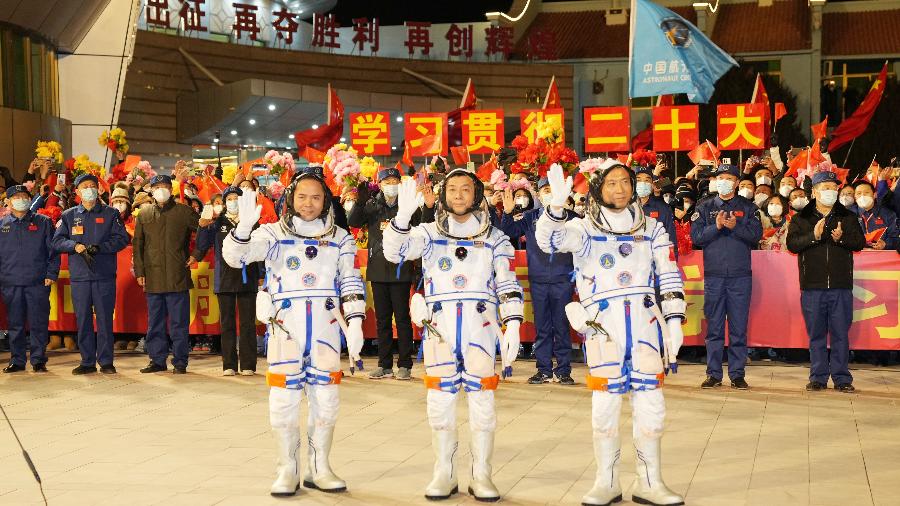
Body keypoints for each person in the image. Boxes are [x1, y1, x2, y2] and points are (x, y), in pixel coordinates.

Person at [536, 162, 685, 506]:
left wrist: (674, 319)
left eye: (625, 182)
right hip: (604, 327)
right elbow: (549, 241)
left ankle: (650, 481)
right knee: (605, 405)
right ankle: (607, 480)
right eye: (611, 183)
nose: (619, 189)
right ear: (598, 188)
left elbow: (669, 272)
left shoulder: (653, 228)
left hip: (647, 323)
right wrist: (555, 209)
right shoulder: (583, 229)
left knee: (652, 404)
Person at [382, 167, 524, 502]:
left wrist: (513, 321)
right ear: (443, 195)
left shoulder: (495, 237)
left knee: (483, 404)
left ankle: (482, 474)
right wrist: (403, 217)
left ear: (476, 194)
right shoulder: (429, 233)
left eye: (466, 189)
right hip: (440, 329)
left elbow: (507, 282)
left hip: (481, 326)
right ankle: (444, 473)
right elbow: (395, 252)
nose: (459, 196)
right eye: (453, 190)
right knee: (440, 403)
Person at [223, 166, 365, 496]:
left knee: (326, 399)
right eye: (302, 196)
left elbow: (350, 279)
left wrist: (355, 319)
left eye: (316, 197)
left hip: (326, 327)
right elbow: (236, 257)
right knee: (283, 400)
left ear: (326, 200)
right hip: (285, 327)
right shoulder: (272, 234)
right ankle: (287, 467)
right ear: (290, 198)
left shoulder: (340, 238)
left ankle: (320, 466)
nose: (309, 203)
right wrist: (244, 227)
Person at [348, 167, 433, 381]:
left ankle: (405, 364)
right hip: (377, 269)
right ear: (380, 184)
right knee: (382, 320)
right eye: (387, 182)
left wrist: (428, 207)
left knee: (403, 319)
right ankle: (384, 365)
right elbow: (354, 222)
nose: (391, 185)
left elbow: (423, 227)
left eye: (395, 181)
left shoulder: (408, 205)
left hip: (401, 269)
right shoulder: (372, 205)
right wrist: (360, 201)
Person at [787, 171, 865, 392]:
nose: (830, 191)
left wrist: (842, 240)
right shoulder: (801, 218)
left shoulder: (847, 216)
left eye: (833, 187)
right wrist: (814, 235)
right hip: (812, 286)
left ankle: (842, 378)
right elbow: (792, 244)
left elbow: (858, 242)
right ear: (814, 191)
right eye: (825, 187)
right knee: (817, 334)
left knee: (841, 333)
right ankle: (818, 377)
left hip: (840, 286)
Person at [690, 161, 762, 390]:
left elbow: (755, 235)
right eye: (720, 178)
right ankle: (713, 374)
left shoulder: (749, 208)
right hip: (714, 276)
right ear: (714, 181)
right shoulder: (704, 207)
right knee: (714, 327)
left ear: (737, 182)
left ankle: (737, 374)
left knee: (739, 327)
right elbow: (697, 237)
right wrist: (717, 227)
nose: (724, 182)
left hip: (740, 276)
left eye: (729, 179)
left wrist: (735, 226)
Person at [499, 177, 576, 385]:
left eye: (553, 189)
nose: (549, 194)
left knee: (561, 326)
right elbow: (508, 232)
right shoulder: (530, 217)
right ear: (539, 194)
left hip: (563, 279)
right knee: (542, 326)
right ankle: (543, 369)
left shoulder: (572, 218)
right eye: (546, 190)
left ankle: (563, 370)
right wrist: (507, 213)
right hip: (538, 279)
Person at [52, 174, 130, 375]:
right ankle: (87, 361)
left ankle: (106, 362)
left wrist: (101, 247)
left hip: (104, 275)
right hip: (79, 276)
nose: (89, 189)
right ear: (77, 192)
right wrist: (74, 245)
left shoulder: (111, 213)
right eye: (84, 186)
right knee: (83, 319)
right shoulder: (68, 215)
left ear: (99, 190)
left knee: (104, 320)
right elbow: (57, 241)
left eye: (92, 186)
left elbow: (121, 239)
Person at [133, 172, 200, 374]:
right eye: (156, 187)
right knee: (155, 323)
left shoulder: (184, 212)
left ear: (171, 190)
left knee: (179, 322)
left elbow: (205, 231)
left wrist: (197, 254)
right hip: (153, 277)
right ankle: (157, 360)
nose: (160, 190)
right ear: (151, 191)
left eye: (164, 186)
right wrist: (139, 271)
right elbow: (138, 245)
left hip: (177, 275)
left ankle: (180, 361)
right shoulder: (144, 214)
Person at [192, 187, 259, 376]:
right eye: (228, 198)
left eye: (236, 198)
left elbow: (260, 247)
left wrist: (261, 274)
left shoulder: (251, 222)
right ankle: (229, 364)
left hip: (248, 276)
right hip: (225, 278)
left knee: (247, 323)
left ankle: (248, 365)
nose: (232, 202)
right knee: (227, 323)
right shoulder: (218, 222)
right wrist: (203, 225)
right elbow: (202, 244)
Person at [0, 185, 59, 373]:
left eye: (24, 196)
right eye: (16, 197)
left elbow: (53, 251)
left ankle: (38, 359)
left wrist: (51, 274)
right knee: (15, 324)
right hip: (11, 282)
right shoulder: (2, 225)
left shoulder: (43, 222)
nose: (21, 199)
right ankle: (17, 360)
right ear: (8, 202)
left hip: (38, 281)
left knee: (38, 322)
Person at [636, 166, 678, 258]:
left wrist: (672, 265)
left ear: (652, 184)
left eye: (647, 180)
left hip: (656, 263)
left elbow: (671, 240)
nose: (642, 183)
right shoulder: (625, 208)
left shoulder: (663, 209)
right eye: (638, 180)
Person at [851, 181, 898, 250]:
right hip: (856, 257)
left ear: (874, 195)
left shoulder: (889, 214)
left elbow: (895, 238)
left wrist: (885, 244)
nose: (862, 196)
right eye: (859, 193)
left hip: (880, 257)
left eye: (866, 192)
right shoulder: (848, 214)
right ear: (855, 197)